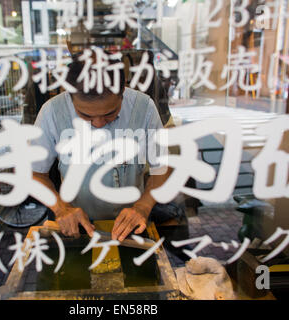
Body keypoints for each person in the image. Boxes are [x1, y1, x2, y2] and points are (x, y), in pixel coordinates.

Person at [31, 49, 179, 242]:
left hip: (133, 225)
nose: (99, 123)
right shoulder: (52, 112)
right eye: (86, 116)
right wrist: (60, 208)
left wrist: (143, 206)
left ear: (122, 91)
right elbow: (33, 173)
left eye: (110, 113)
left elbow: (162, 167)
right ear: (70, 95)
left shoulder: (143, 108)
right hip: (76, 225)